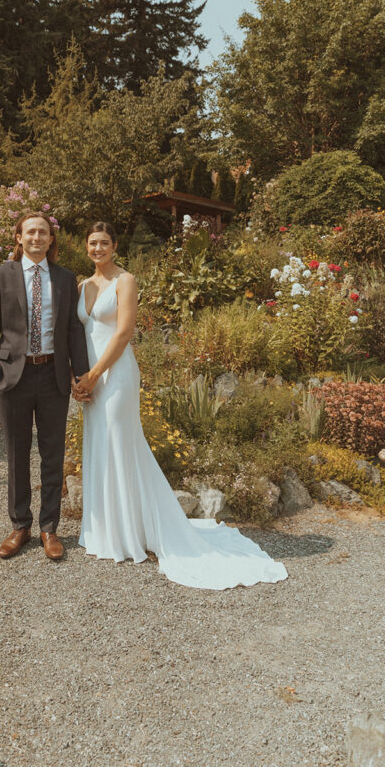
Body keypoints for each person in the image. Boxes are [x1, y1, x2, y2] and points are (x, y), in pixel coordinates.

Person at [72, 222, 288, 589]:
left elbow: (124, 332)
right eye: (92, 243)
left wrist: (94, 374)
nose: (97, 248)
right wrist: (78, 379)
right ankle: (107, 530)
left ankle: (131, 534)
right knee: (99, 444)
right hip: (89, 377)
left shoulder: (126, 281)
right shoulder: (82, 286)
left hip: (116, 375)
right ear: (87, 246)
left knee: (121, 445)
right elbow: (77, 333)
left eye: (104, 242)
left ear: (115, 246)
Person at [0, 212, 89, 561]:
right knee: (16, 453)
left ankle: (49, 528)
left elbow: (73, 328)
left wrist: (79, 374)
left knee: (52, 453)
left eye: (43, 232)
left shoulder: (65, 278)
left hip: (53, 375)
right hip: (14, 376)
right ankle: (20, 525)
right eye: (31, 232)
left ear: (51, 239)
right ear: (19, 237)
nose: (37, 238)